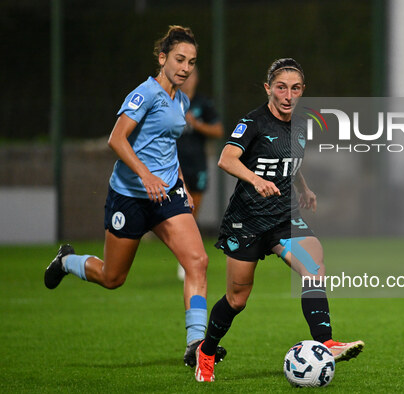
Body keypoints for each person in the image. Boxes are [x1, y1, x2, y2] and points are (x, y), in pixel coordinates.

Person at [43, 25, 225, 368]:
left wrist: (180, 181)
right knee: (113, 278)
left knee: (198, 262)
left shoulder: (181, 99)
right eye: (179, 59)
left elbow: (166, 146)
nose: (186, 67)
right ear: (162, 58)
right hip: (130, 196)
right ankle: (67, 261)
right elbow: (117, 138)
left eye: (192, 61)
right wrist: (145, 175)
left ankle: (196, 344)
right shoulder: (145, 93)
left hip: (167, 194)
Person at [193, 58, 364, 382]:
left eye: (295, 88)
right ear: (268, 88)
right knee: (237, 299)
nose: (288, 95)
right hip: (247, 222)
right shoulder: (253, 122)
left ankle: (325, 342)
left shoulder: (300, 125)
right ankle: (207, 350)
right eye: (281, 87)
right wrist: (255, 180)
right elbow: (226, 158)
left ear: (302, 91)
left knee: (313, 265)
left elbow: (290, 162)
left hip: (284, 219)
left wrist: (304, 188)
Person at [176, 68, 223, 281]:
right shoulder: (170, 101)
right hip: (173, 165)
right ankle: (184, 255)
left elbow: (219, 131)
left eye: (192, 75)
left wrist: (197, 124)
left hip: (197, 164)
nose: (188, 79)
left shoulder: (203, 104)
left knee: (192, 211)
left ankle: (186, 258)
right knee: (178, 212)